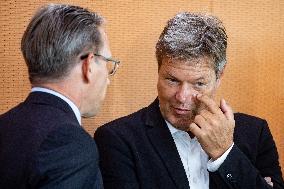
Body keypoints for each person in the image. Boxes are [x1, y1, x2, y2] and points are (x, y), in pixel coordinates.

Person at [94, 12, 284, 189]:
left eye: (198, 83)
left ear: (219, 76)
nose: (182, 97)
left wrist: (225, 154)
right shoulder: (117, 139)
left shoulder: (255, 133)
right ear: (158, 71)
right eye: (172, 80)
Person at [0, 3, 120, 189]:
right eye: (108, 62)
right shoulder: (70, 144)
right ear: (88, 65)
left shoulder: (5, 125)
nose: (108, 80)